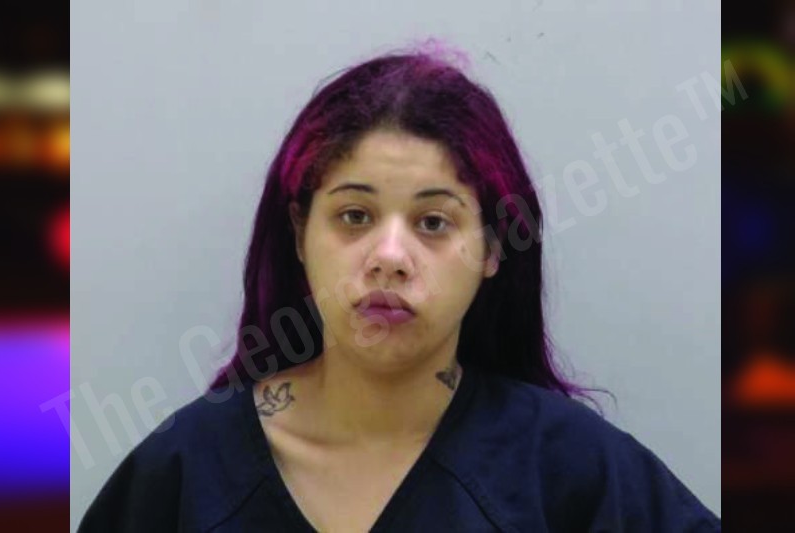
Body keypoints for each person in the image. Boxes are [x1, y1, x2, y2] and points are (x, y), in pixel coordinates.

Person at [79, 44, 721, 532]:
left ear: (493, 249)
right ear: (300, 234)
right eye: (354, 216)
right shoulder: (188, 473)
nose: (389, 257)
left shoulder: (569, 470)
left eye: (433, 222)